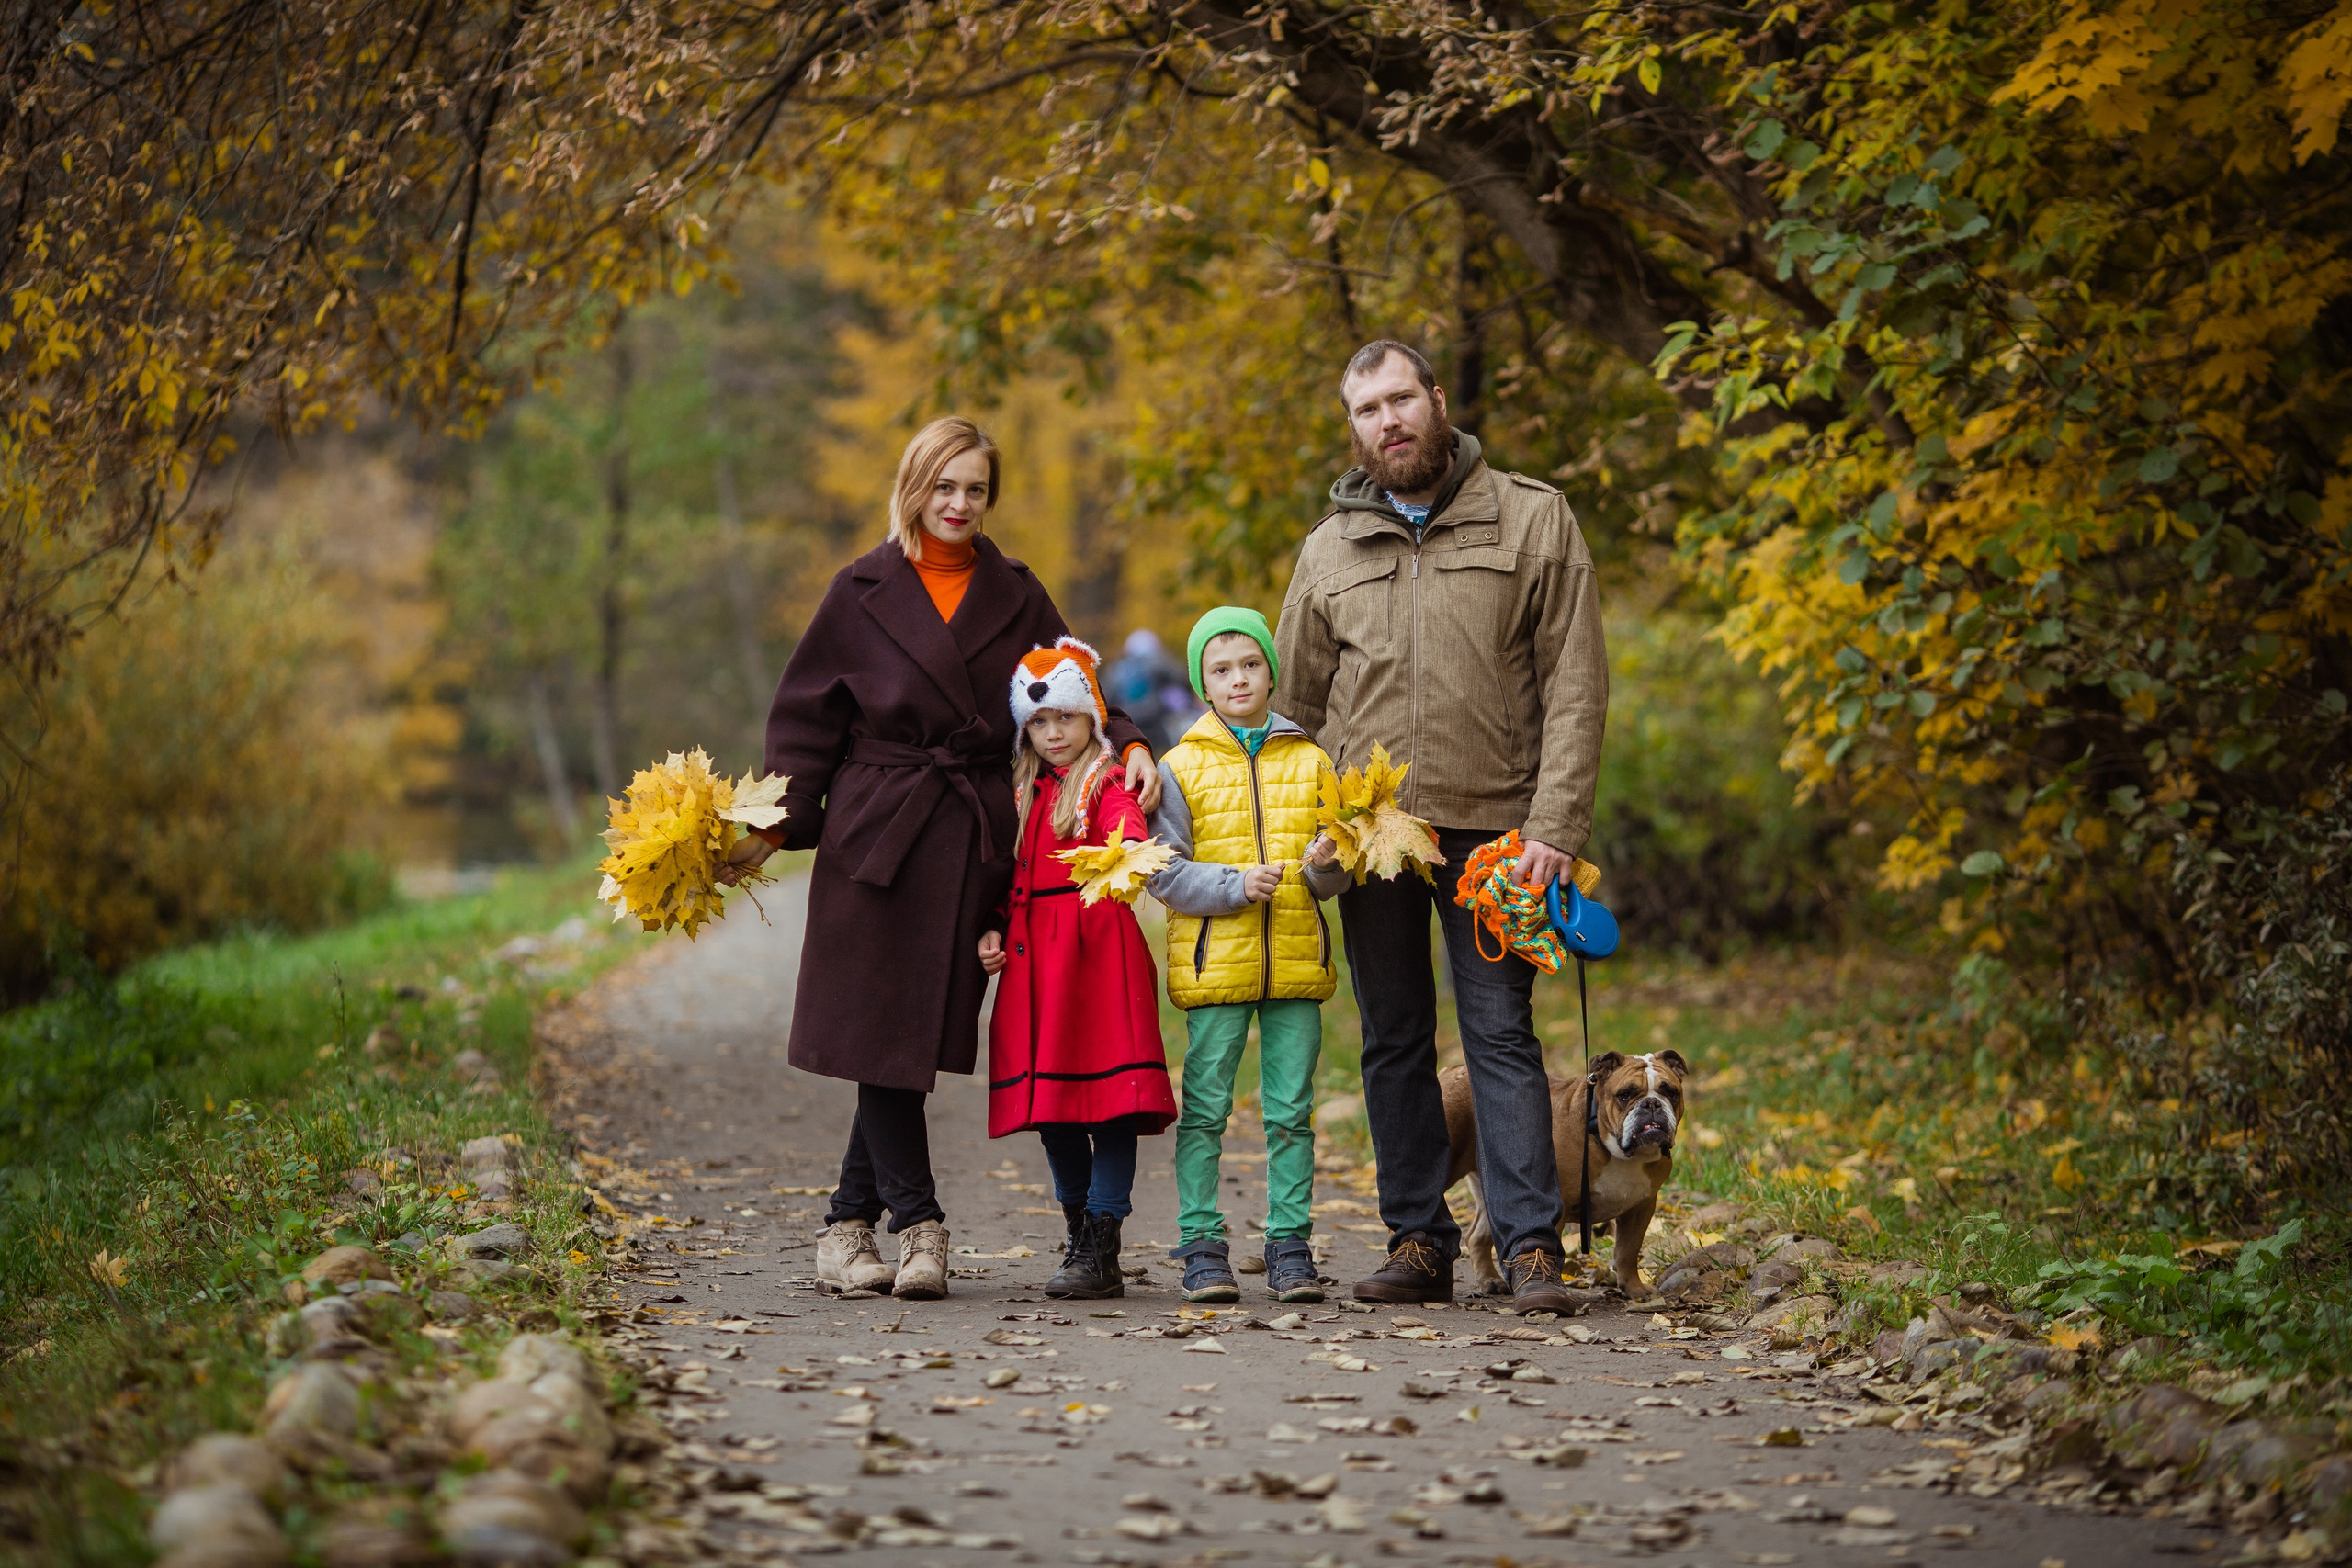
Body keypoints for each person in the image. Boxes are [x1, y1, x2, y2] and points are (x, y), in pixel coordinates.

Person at [721, 416, 1160, 1302]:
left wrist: (1134, 739)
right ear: (914, 486)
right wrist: (771, 825)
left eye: (976, 489)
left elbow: (1075, 681)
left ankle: (847, 1223)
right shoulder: (860, 589)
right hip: (873, 835)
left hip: (968, 838)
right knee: (882, 1034)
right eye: (944, 485)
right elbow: (806, 724)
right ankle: (920, 1226)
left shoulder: (1018, 592)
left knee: (907, 1038)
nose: (959, 504)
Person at [1273, 341, 1607, 1314]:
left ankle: (1529, 1245)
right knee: (1392, 1036)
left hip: (1500, 835)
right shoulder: (1327, 550)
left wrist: (1554, 823)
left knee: (1500, 1033)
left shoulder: (1533, 518)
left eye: (1398, 399)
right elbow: (1292, 711)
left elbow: (1576, 688)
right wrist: (1318, 828)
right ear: (1354, 428)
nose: (1387, 421)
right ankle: (1417, 1242)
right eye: (1366, 409)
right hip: (1374, 836)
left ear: (1436, 399)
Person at [1146, 606, 1351, 1303]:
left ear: (1272, 670)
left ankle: (1289, 1243)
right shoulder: (1180, 766)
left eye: (1250, 665)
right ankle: (1201, 1242)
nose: (1238, 679)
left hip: (1296, 963)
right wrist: (1235, 885)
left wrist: (1324, 862)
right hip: (1214, 969)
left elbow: (1334, 879)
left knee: (1291, 1110)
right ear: (1203, 683)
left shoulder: (1313, 758)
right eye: (1221, 669)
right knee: (1206, 1109)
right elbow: (1164, 872)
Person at [978, 637, 1177, 1299]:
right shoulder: (1021, 791)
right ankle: (1076, 1225)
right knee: (1054, 1108)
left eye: (1065, 716)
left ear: (1091, 714)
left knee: (1111, 1105)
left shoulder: (1105, 780)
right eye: (1038, 720)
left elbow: (1127, 828)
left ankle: (1102, 1235)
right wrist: (994, 930)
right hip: (1036, 963)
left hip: (1098, 954)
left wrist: (1127, 844)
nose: (1053, 731)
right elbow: (1009, 878)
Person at [1103, 626, 1202, 753]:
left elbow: (1106, 698)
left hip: (1129, 719)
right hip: (1157, 717)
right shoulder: (1158, 661)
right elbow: (1182, 679)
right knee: (1165, 752)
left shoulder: (1117, 669)